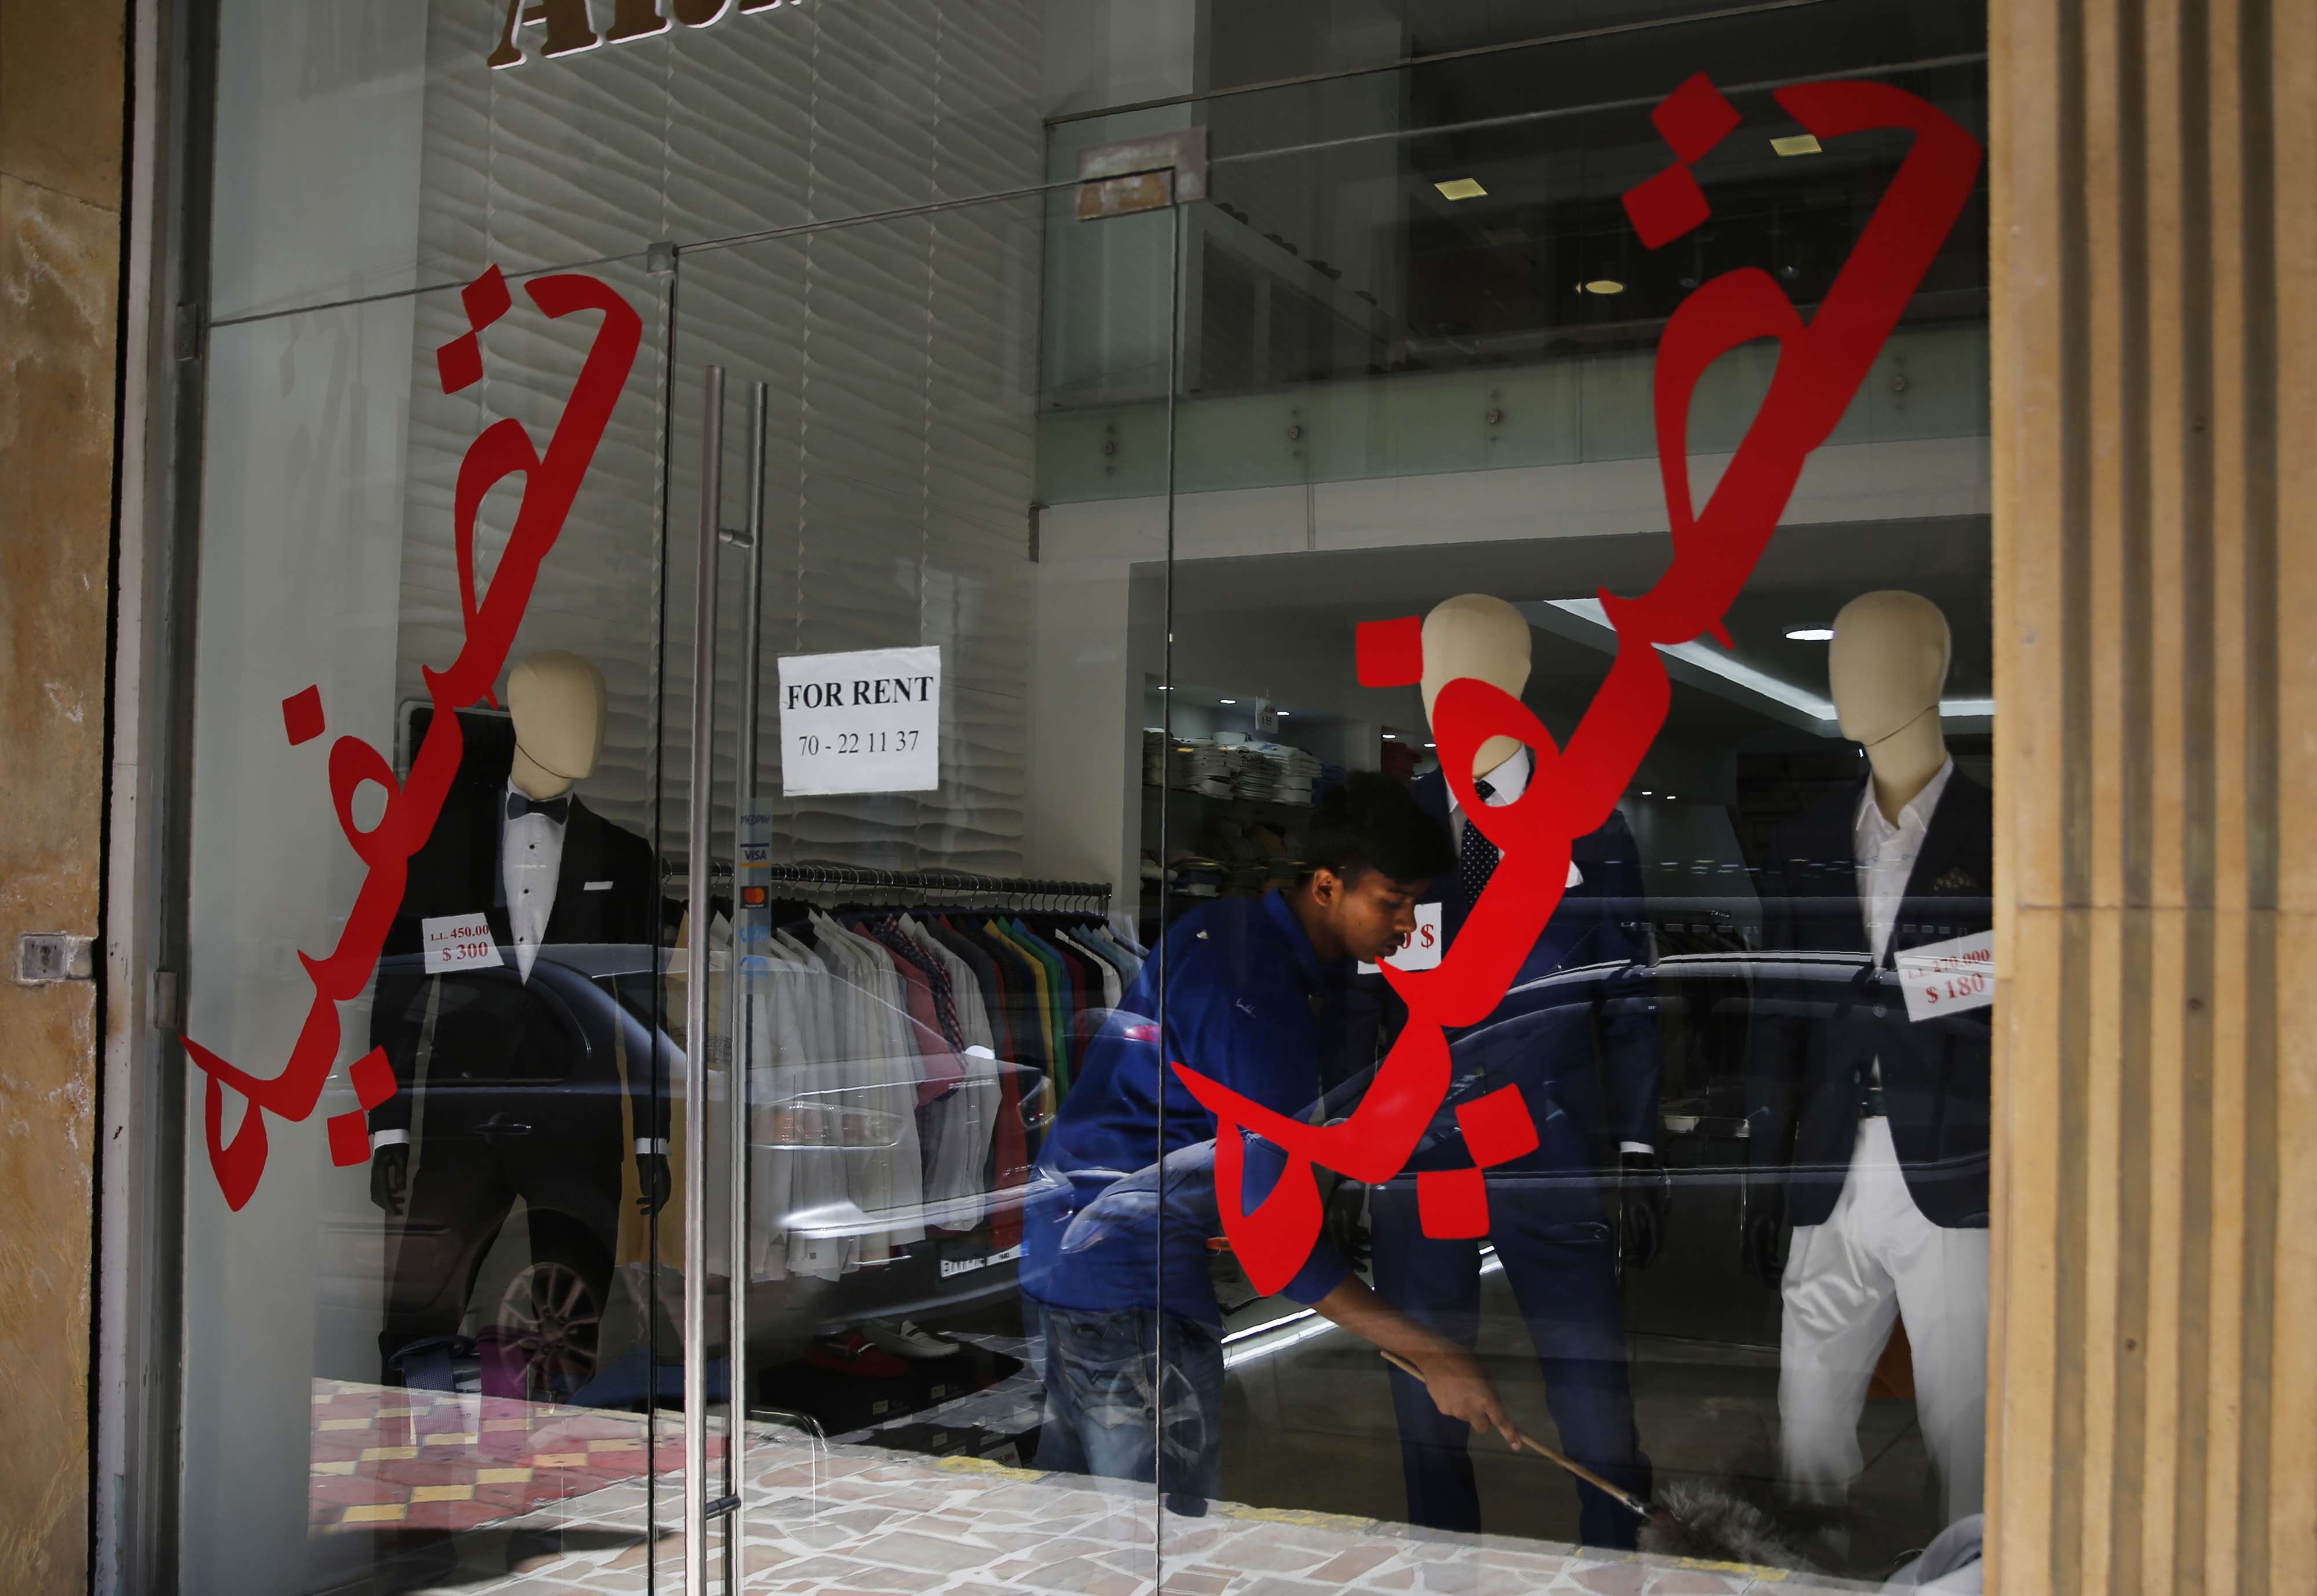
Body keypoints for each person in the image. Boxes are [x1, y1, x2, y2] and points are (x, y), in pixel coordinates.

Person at [1019, 773, 1515, 1514]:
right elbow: (1277, 1243)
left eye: (1414, 901)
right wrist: (1431, 1350)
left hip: (1064, 1255)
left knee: (1074, 1527)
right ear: (1325, 885)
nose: (1408, 923)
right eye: (1392, 901)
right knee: (1158, 1544)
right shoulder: (1260, 1001)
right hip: (1128, 1288)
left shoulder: (1230, 928)